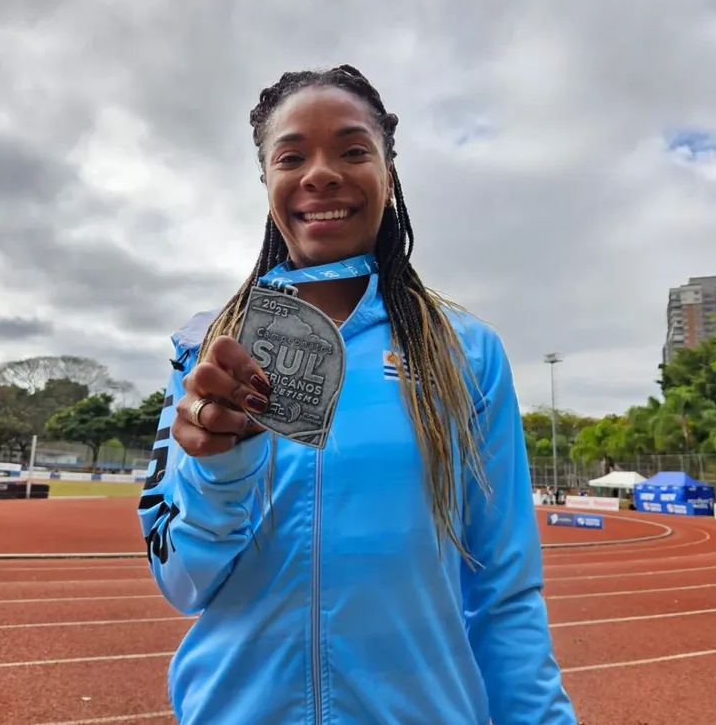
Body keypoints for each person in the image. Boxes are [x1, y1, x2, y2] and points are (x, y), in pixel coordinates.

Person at [138, 64, 577, 724]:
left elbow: (504, 594)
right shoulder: (209, 352)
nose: (320, 173)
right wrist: (221, 472)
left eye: (352, 150)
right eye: (292, 157)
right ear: (268, 183)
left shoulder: (467, 351)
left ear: (388, 174)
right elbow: (184, 584)